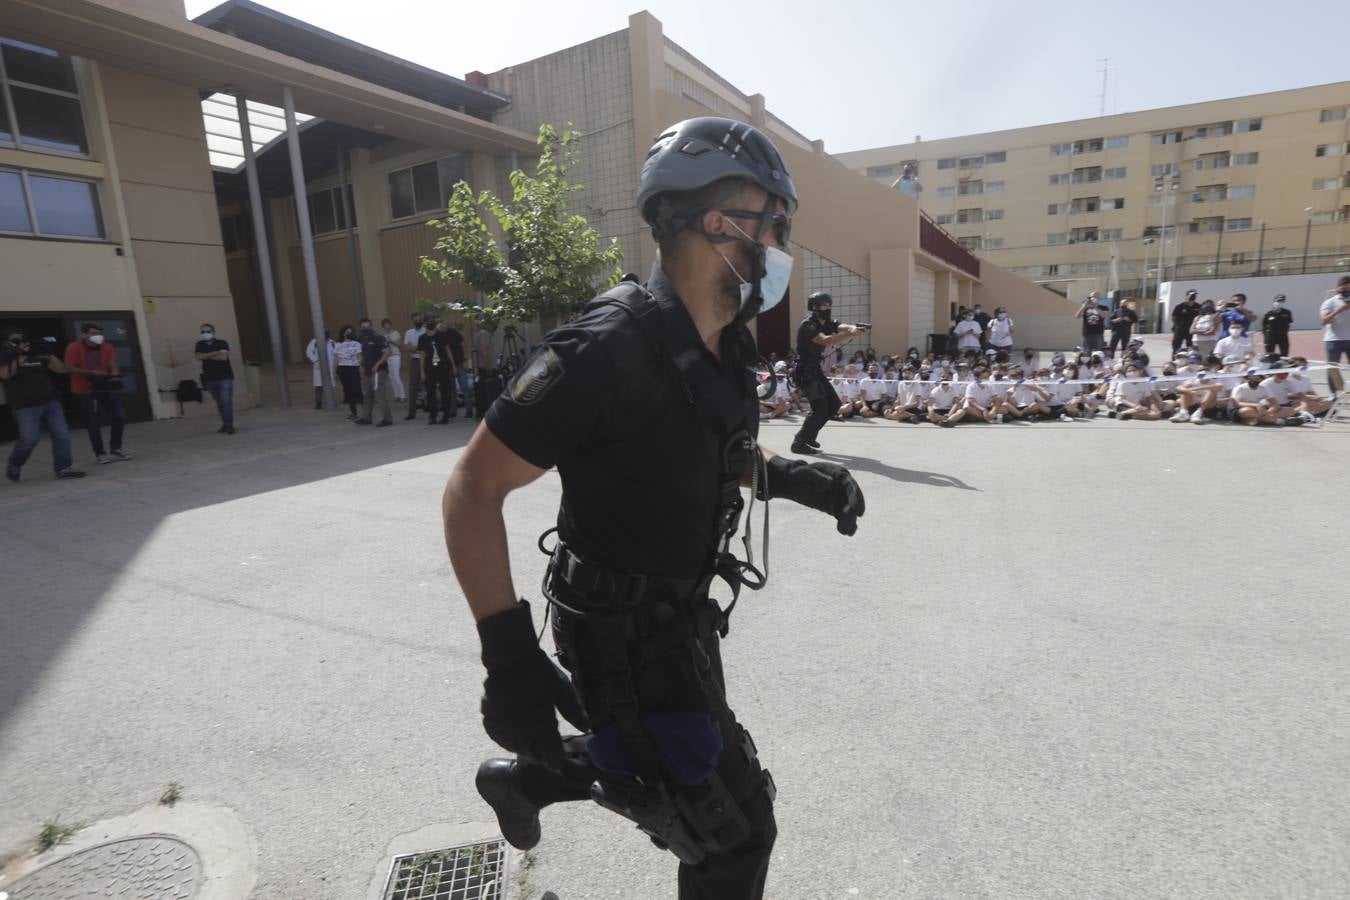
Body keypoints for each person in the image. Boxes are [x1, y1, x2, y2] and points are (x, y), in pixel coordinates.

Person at [447, 117, 864, 900]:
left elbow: (712, 448)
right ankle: (533, 775)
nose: (782, 244)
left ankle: (526, 780)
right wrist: (509, 659)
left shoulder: (725, 344)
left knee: (675, 773)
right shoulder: (600, 351)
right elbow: (473, 488)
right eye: (775, 223)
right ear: (719, 224)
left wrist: (798, 479)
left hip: (680, 618)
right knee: (729, 839)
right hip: (617, 637)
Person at [2, 329, 85, 481]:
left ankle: (64, 468)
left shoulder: (38, 354)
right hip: (25, 406)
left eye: (26, 341)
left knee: (62, 435)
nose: (25, 344)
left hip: (50, 402)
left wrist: (50, 354)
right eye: (20, 342)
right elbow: (6, 375)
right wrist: (17, 356)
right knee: (29, 439)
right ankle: (15, 464)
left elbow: (60, 370)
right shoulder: (5, 356)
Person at [791, 291, 866, 454]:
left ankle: (808, 436)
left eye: (829, 305)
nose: (828, 308)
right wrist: (849, 334)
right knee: (820, 408)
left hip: (815, 370)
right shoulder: (808, 325)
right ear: (815, 308)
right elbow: (826, 340)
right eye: (825, 305)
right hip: (805, 371)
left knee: (834, 405)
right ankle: (799, 442)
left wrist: (853, 328)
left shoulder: (825, 321)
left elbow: (839, 325)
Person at [63, 323, 129, 464]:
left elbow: (112, 364)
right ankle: (100, 453)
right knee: (93, 423)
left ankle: (116, 448)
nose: (97, 336)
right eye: (93, 333)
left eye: (99, 333)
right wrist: (90, 373)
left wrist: (114, 377)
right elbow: (69, 368)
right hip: (85, 390)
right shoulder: (74, 347)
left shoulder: (106, 346)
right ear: (85, 334)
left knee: (119, 417)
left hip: (106, 387)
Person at [194, 323, 236, 434]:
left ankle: (229, 425)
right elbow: (198, 357)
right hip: (210, 378)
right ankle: (225, 423)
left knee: (226, 401)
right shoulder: (200, 344)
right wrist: (217, 352)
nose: (205, 334)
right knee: (220, 402)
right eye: (202, 332)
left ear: (213, 332)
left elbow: (223, 357)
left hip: (225, 377)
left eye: (207, 331)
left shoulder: (222, 342)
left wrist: (206, 355)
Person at [356, 318, 393, 426]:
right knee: (367, 395)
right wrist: (361, 366)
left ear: (372, 326)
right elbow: (362, 355)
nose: (365, 329)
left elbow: (387, 352)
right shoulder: (361, 340)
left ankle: (387, 419)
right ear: (360, 328)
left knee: (379, 395)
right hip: (367, 371)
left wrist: (377, 364)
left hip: (379, 371)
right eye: (363, 327)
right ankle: (366, 418)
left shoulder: (379, 338)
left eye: (367, 327)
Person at [1231, 370, 1302, 427]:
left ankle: (1260, 420)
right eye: (1252, 378)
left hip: (1260, 411)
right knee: (1246, 411)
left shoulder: (1264, 388)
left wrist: (1269, 412)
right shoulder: (1239, 388)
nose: (1254, 380)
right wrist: (1257, 405)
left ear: (1261, 379)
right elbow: (1236, 404)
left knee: (1289, 410)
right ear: (1247, 379)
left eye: (1257, 378)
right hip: (1241, 410)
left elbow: (1275, 403)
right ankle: (1278, 421)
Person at [420, 322, 457, 425]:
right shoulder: (422, 338)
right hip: (430, 369)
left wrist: (453, 365)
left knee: (445, 391)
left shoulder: (441, 336)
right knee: (431, 393)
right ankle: (433, 416)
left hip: (443, 367)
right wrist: (422, 371)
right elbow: (422, 355)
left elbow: (448, 350)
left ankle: (445, 415)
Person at [332, 326, 364, 419]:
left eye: (350, 332)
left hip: (354, 368)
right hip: (342, 369)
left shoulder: (356, 343)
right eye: (346, 331)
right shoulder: (338, 344)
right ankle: (353, 413)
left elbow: (360, 356)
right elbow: (336, 358)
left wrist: (360, 366)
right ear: (343, 333)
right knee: (348, 391)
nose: (348, 333)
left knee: (357, 390)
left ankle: (366, 412)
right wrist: (334, 372)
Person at [1320, 276, 1350, 365]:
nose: (1347, 290)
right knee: (1333, 369)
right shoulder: (1329, 302)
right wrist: (1338, 311)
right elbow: (1323, 321)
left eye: (1349, 288)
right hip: (1334, 341)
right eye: (1344, 288)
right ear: (1337, 288)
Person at [403, 313, 426, 420]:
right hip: (415, 360)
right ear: (412, 321)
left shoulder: (426, 331)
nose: (418, 321)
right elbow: (406, 348)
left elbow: (428, 347)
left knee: (431, 385)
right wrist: (419, 348)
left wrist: (415, 347)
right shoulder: (409, 333)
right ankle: (411, 413)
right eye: (416, 320)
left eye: (419, 319)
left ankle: (432, 409)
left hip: (427, 360)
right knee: (413, 386)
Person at [306, 331, 336, 409]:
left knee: (331, 385)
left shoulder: (332, 342)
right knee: (319, 386)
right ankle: (318, 402)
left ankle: (331, 401)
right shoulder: (314, 341)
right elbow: (309, 352)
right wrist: (315, 361)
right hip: (318, 366)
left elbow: (336, 353)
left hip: (330, 366)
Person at [381, 318, 407, 403]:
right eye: (385, 325)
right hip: (387, 357)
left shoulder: (395, 333)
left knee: (396, 376)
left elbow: (399, 344)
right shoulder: (382, 335)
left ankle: (403, 396)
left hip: (395, 355)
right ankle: (397, 396)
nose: (386, 326)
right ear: (383, 326)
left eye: (388, 324)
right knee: (391, 377)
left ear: (390, 325)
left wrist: (391, 341)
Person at [1171, 289, 1202, 354]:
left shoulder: (1199, 307)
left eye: (1194, 295)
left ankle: (1190, 360)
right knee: (1176, 346)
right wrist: (1177, 326)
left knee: (1191, 347)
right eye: (1191, 295)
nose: (1193, 296)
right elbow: (1173, 317)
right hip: (1180, 329)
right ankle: (1175, 360)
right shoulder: (1180, 306)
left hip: (1191, 330)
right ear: (1187, 296)